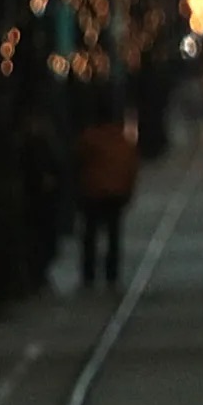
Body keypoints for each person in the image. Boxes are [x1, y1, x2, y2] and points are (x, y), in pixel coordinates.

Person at [74, 112, 141, 292]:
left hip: (93, 193)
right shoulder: (122, 142)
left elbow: (78, 164)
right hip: (115, 195)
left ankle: (89, 275)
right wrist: (128, 192)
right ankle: (111, 274)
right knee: (113, 235)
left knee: (90, 235)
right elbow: (130, 169)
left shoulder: (89, 138)